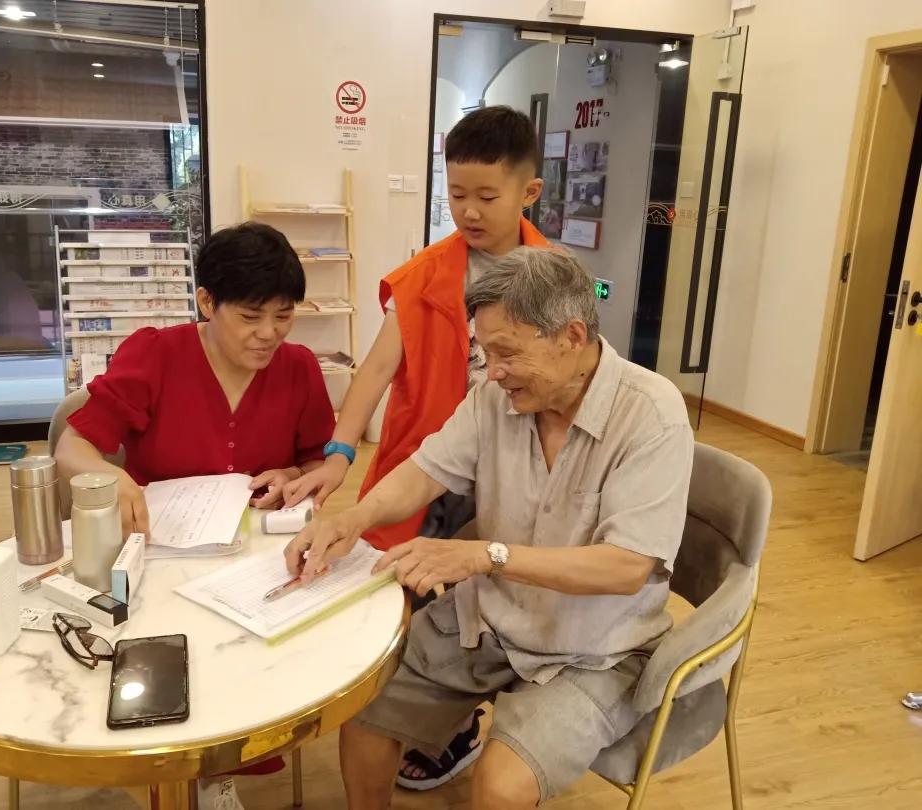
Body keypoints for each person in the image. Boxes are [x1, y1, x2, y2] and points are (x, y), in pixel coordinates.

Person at [285, 247, 695, 809]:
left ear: (572, 336)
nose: (492, 370)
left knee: (500, 787)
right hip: (493, 618)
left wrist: (486, 555)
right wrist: (355, 518)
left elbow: (626, 568)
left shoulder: (651, 414)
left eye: (507, 352)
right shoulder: (495, 399)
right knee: (364, 708)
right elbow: (425, 471)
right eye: (485, 351)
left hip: (595, 647)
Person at [282, 105, 549, 787]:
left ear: (529, 192)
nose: (469, 210)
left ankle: (461, 728)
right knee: (409, 593)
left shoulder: (553, 278)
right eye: (456, 194)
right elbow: (375, 370)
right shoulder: (427, 274)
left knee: (486, 598)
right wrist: (339, 455)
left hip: (515, 477)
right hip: (426, 468)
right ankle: (419, 719)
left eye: (487, 195)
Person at [54, 220, 335, 810]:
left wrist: (293, 475)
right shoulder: (157, 354)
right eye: (250, 316)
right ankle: (177, 771)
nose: (268, 334)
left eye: (283, 316)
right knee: (172, 672)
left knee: (268, 656)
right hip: (159, 560)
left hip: (252, 563)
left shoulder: (299, 368)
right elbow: (71, 448)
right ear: (207, 302)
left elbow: (316, 461)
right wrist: (112, 476)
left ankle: (217, 769)